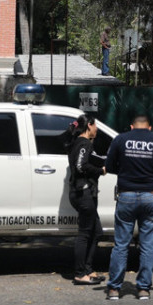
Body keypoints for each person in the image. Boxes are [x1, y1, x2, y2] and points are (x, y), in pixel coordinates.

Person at [104, 114, 153, 301]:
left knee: (121, 244)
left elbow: (109, 166)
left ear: (132, 126)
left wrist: (126, 171)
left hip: (126, 196)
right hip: (150, 196)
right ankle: (143, 289)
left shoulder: (121, 139)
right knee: (148, 245)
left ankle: (114, 289)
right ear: (149, 128)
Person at [65, 114, 106, 286]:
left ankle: (88, 270)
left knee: (96, 233)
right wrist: (100, 170)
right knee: (84, 233)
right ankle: (80, 273)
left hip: (81, 193)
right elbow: (81, 166)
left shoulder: (77, 143)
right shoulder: (84, 143)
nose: (97, 129)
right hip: (84, 194)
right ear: (89, 125)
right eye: (96, 125)